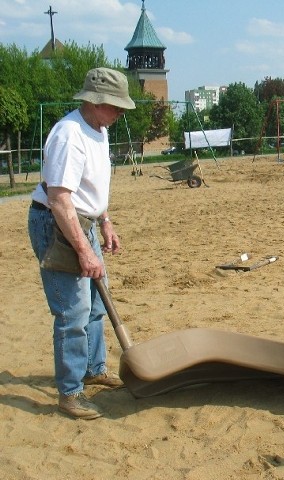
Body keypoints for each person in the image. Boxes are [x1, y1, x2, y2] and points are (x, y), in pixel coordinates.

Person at [28, 67, 136, 419]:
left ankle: (94, 369)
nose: (120, 113)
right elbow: (60, 198)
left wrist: (105, 222)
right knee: (72, 312)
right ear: (94, 101)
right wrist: (83, 249)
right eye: (115, 106)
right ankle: (70, 393)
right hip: (56, 224)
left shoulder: (98, 130)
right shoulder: (68, 134)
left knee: (94, 305)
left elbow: (92, 189)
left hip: (83, 222)